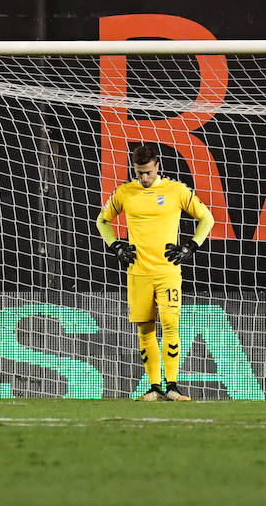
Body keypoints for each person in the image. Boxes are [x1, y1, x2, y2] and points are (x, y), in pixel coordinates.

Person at [96, 144, 214, 401]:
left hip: (167, 271)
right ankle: (154, 387)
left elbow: (207, 218)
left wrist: (191, 247)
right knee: (145, 329)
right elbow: (101, 221)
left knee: (171, 325)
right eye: (139, 173)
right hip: (138, 273)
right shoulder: (125, 192)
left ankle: (172, 386)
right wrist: (115, 245)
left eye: (148, 172)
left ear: (157, 166)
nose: (144, 178)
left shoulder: (176, 190)